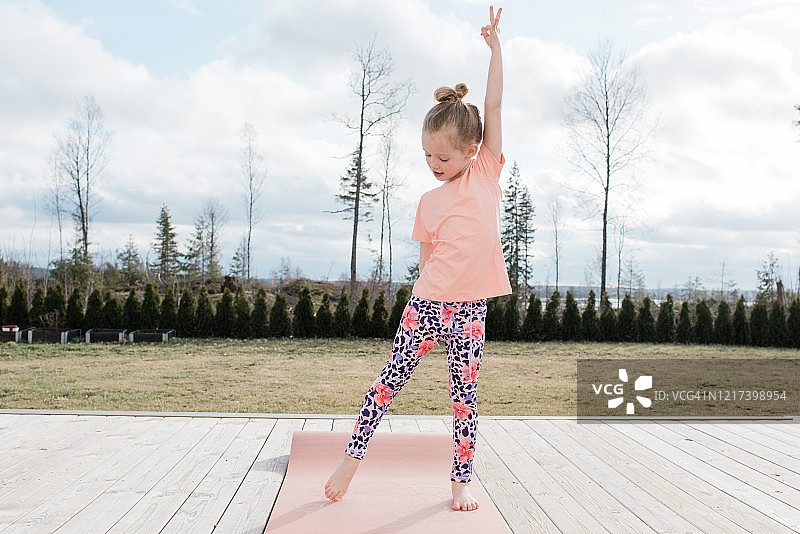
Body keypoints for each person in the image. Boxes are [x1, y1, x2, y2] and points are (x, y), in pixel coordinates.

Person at [324, 5, 509, 512]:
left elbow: (493, 109)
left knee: (463, 401)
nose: (433, 165)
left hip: (470, 310)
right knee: (387, 385)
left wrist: (496, 52)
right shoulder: (428, 203)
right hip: (426, 307)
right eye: (427, 156)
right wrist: (425, 307)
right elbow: (428, 261)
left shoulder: (486, 172)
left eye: (443, 158)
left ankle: (460, 485)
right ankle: (350, 461)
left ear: (473, 151)